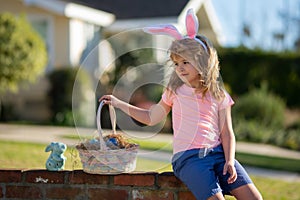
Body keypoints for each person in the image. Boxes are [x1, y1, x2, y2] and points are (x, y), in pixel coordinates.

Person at [99, 9, 262, 200]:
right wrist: (119, 103)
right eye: (176, 63)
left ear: (202, 61)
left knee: (255, 198)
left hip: (218, 154)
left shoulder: (218, 93)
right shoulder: (174, 91)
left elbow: (227, 132)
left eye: (185, 62)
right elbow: (151, 118)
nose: (180, 68)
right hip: (189, 159)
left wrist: (229, 161)